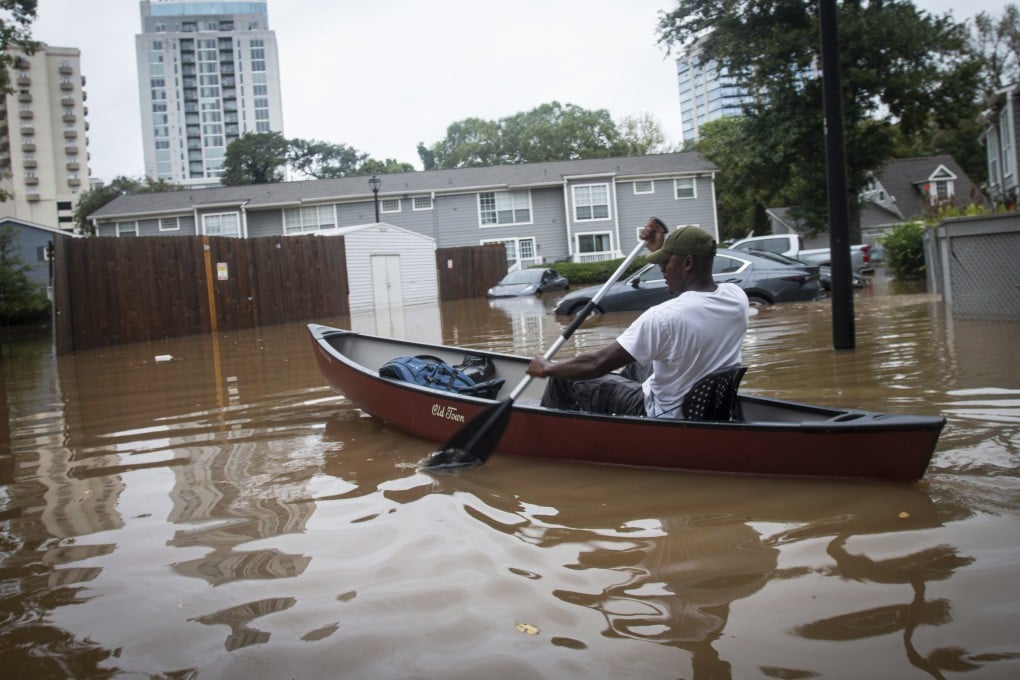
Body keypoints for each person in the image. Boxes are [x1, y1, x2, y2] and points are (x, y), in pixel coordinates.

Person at [527, 223, 748, 419]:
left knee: (563, 377)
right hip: (703, 405)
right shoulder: (736, 297)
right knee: (637, 358)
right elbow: (691, 303)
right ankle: (610, 411)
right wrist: (663, 251)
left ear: (688, 263)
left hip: (661, 411)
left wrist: (548, 368)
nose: (662, 270)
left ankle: (553, 429)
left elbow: (596, 364)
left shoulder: (662, 317)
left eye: (666, 263)